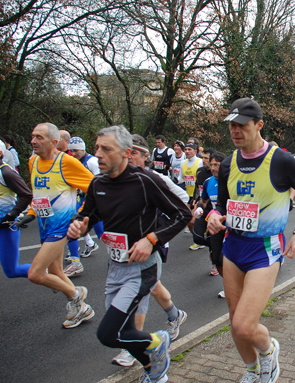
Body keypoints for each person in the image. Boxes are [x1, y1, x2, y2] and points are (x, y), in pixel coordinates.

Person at [207, 98, 295, 383]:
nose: (235, 131)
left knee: (245, 325)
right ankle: (252, 370)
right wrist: (215, 215)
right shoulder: (228, 162)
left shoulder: (280, 159)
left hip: (265, 249)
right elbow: (223, 203)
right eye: (231, 125)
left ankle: (269, 352)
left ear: (258, 125)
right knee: (235, 322)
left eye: (241, 125)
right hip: (233, 247)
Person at [67, 125, 191, 383]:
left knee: (108, 334)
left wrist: (151, 239)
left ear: (125, 153)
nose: (98, 154)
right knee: (124, 330)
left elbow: (182, 214)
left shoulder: (146, 181)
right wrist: (80, 225)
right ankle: (154, 372)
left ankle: (158, 341)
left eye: (106, 149)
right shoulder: (98, 183)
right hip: (115, 265)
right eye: (97, 147)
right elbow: (89, 215)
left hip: (143, 267)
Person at [110, 134, 190, 368]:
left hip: (151, 243)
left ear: (146, 156)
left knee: (140, 290)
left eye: (134, 152)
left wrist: (158, 230)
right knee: (153, 287)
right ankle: (176, 315)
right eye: (127, 151)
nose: (130, 156)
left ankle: (132, 347)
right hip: (124, 247)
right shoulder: (116, 179)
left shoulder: (156, 178)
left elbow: (183, 200)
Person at [15, 123, 95, 328]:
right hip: (44, 224)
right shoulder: (32, 162)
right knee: (57, 272)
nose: (33, 141)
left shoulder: (66, 162)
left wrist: (80, 215)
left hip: (62, 226)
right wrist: (31, 213)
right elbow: (39, 193)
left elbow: (95, 188)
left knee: (36, 274)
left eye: (39, 137)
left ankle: (76, 297)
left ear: (53, 142)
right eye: (32, 136)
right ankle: (81, 309)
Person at [0, 138, 32, 290]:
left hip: (4, 230)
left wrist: (12, 214)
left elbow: (26, 195)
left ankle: (45, 273)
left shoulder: (6, 172)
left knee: (12, 271)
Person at [65, 137, 104, 275]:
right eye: (71, 151)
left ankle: (121, 252)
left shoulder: (92, 162)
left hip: (94, 201)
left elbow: (101, 181)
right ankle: (76, 259)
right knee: (73, 224)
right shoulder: (72, 162)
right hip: (80, 199)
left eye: (75, 150)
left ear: (83, 149)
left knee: (101, 232)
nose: (73, 153)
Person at [194, 151, 226, 294]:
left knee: (228, 259)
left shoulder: (231, 181)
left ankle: (233, 286)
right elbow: (204, 201)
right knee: (217, 260)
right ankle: (229, 284)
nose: (213, 168)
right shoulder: (208, 182)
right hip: (216, 226)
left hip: (230, 226)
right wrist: (200, 209)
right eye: (211, 165)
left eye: (217, 165)